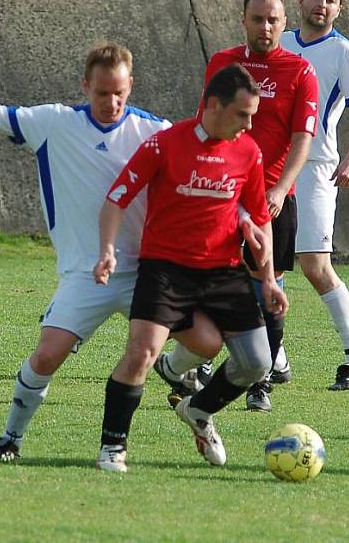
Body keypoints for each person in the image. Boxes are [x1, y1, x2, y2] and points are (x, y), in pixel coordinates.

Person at [0, 43, 260, 462]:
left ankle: (179, 383)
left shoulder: (156, 130)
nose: (111, 102)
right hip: (86, 273)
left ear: (130, 86)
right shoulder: (54, 124)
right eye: (101, 93)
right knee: (47, 355)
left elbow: (220, 177)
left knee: (207, 343)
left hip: (151, 273)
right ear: (85, 86)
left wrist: (244, 219)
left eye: (119, 92)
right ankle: (10, 438)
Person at [94, 63, 288, 473]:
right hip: (165, 271)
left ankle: (197, 410)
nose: (249, 126)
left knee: (257, 363)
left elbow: (259, 215)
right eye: (242, 115)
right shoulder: (165, 144)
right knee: (142, 353)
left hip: (224, 271)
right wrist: (107, 250)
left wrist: (267, 279)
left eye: (253, 116)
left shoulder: (248, 152)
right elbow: (116, 199)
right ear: (213, 105)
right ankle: (113, 447)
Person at [157, 0, 319, 412]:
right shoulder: (223, 63)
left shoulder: (300, 72)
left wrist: (280, 188)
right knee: (207, 283)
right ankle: (191, 365)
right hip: (223, 195)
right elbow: (203, 124)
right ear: (243, 21)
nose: (265, 27)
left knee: (270, 288)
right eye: (257, 19)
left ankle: (259, 381)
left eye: (273, 20)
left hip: (273, 197)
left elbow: (304, 138)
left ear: (286, 23)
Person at [280, 0, 349, 391]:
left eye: (331, 0)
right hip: (268, 170)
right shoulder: (278, 43)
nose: (322, 4)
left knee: (315, 266)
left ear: (340, 8)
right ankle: (272, 358)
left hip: (316, 167)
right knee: (263, 263)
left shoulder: (344, 53)